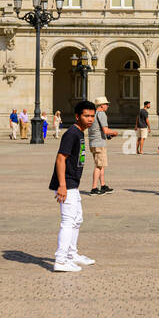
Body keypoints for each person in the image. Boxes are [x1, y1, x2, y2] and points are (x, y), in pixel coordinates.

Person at [51, 98, 97, 272]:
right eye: (86, 116)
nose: (90, 119)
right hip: (67, 183)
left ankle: (72, 254)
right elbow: (61, 158)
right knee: (68, 221)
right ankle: (61, 260)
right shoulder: (71, 133)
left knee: (77, 219)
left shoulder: (79, 133)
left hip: (73, 184)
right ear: (77, 116)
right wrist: (62, 185)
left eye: (92, 116)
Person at [88, 96, 118, 195]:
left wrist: (108, 136)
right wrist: (114, 132)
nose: (108, 106)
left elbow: (98, 130)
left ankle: (103, 185)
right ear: (101, 106)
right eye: (106, 104)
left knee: (101, 165)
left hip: (93, 142)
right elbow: (106, 130)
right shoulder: (101, 114)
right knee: (98, 165)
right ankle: (94, 188)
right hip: (99, 143)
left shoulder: (92, 115)